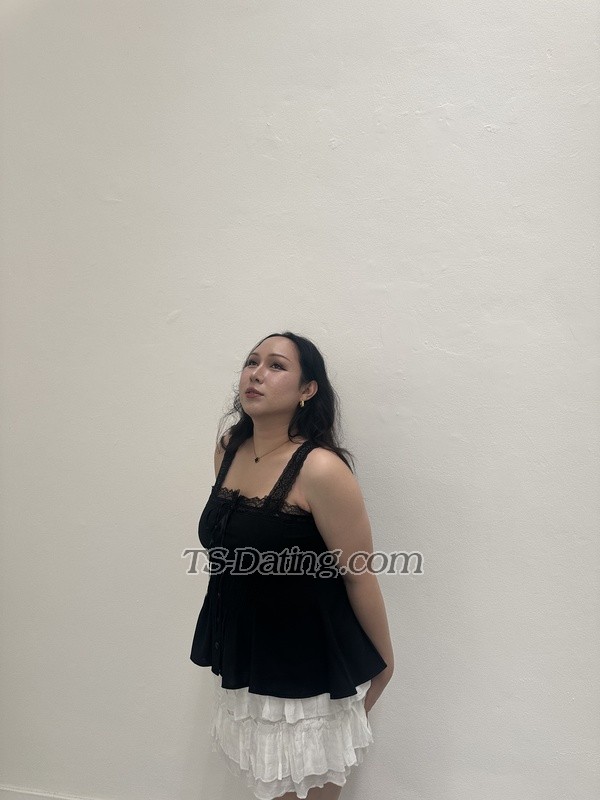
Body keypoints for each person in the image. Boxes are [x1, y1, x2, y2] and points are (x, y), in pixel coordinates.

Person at [190, 331, 394, 799]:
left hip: (309, 667)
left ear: (308, 389)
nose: (257, 374)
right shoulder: (228, 448)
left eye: (276, 365)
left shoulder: (320, 469)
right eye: (252, 361)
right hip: (249, 655)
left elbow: (359, 574)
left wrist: (385, 665)